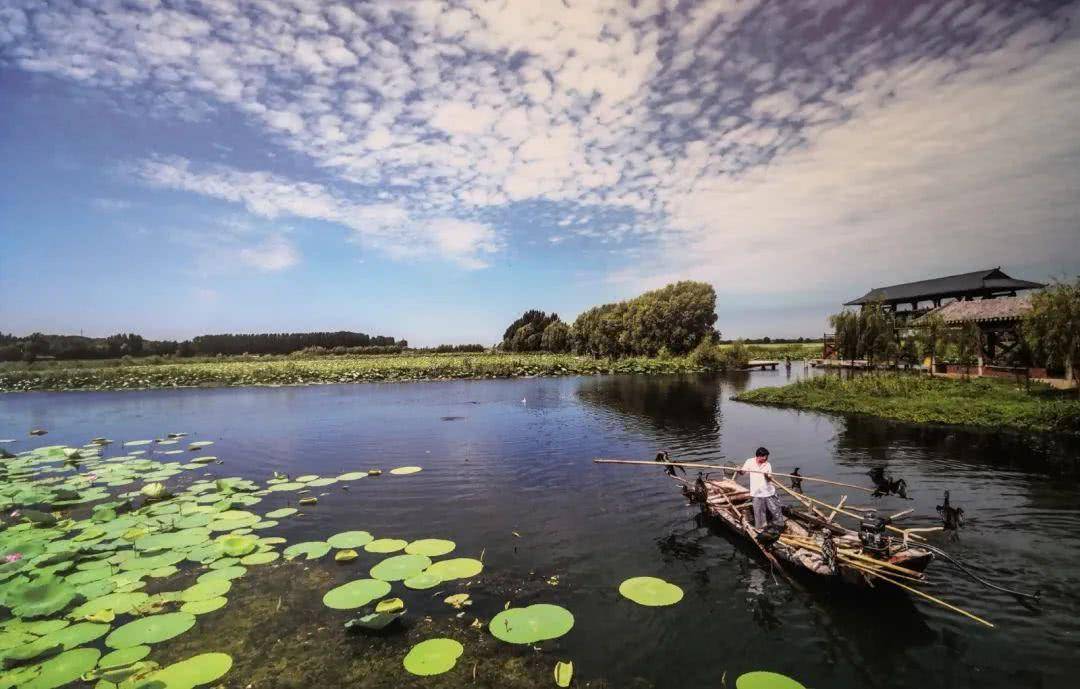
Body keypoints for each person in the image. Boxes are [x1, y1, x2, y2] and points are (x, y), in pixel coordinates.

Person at [737, 447, 785, 531]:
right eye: (764, 457)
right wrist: (739, 470)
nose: (765, 459)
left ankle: (779, 525)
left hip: (768, 492)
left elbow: (769, 480)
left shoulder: (767, 464)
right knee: (758, 512)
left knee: (775, 509)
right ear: (758, 456)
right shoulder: (749, 462)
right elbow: (743, 472)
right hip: (757, 493)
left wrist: (767, 476)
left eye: (766, 457)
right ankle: (760, 529)